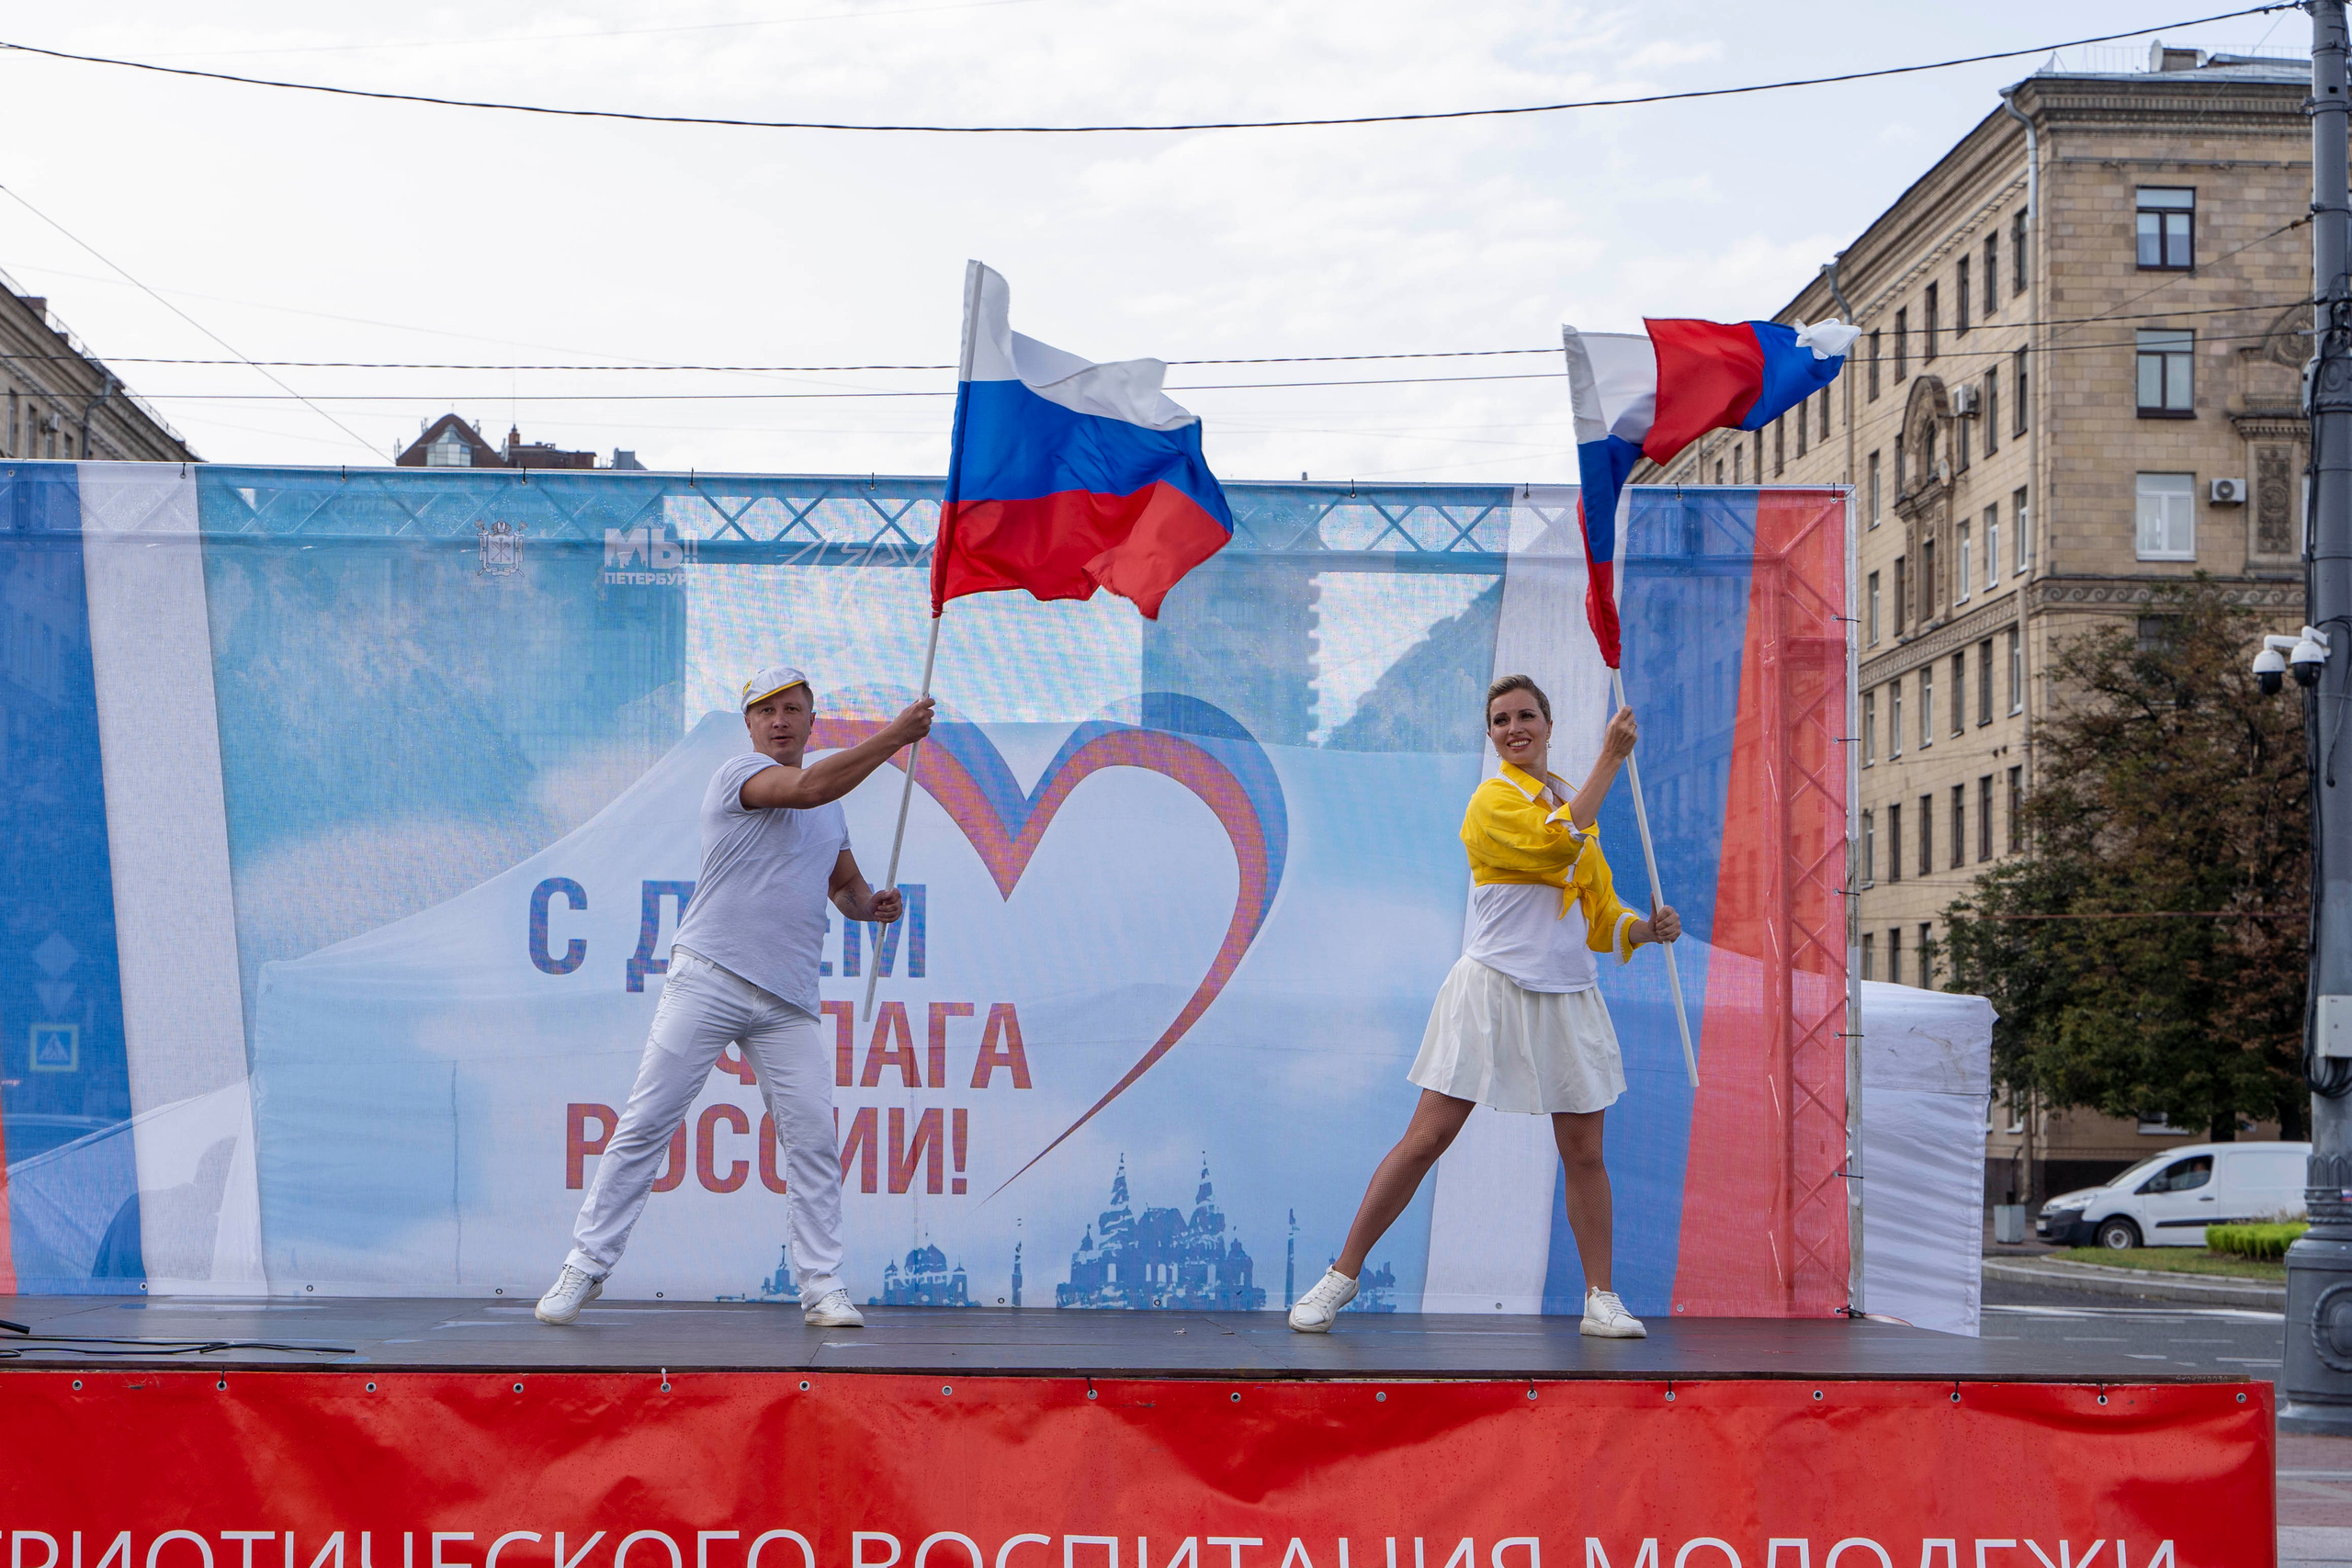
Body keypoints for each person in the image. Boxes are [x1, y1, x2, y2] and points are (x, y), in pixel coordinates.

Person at [537, 666, 933, 1329]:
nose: (779, 720)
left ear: (811, 721)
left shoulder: (830, 806)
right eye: (765, 711)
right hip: (710, 976)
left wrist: (872, 906)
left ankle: (822, 1286)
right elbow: (807, 787)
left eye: (792, 709)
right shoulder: (739, 775)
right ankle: (586, 1263)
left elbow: (844, 886)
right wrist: (897, 736)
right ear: (748, 725)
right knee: (647, 1121)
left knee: (813, 1139)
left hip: (788, 999)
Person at [1289, 673, 1680, 1339]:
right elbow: (1556, 843)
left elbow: (1598, 915)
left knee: (1585, 1152)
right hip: (1492, 989)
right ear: (1492, 736)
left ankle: (1601, 1298)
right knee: (1427, 1138)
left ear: (1549, 724)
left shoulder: (1569, 798)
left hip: (1568, 996)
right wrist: (1611, 758)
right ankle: (1340, 1276)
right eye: (1501, 720)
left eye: (1526, 715)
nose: (1514, 727)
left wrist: (1646, 928)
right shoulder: (1492, 802)